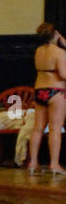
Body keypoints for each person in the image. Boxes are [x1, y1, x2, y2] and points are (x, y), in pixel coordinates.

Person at [28, 22, 66, 174]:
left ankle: (33, 162)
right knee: (55, 129)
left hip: (40, 90)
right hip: (56, 92)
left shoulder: (38, 51)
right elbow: (63, 74)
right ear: (55, 34)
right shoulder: (59, 53)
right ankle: (54, 164)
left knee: (37, 128)